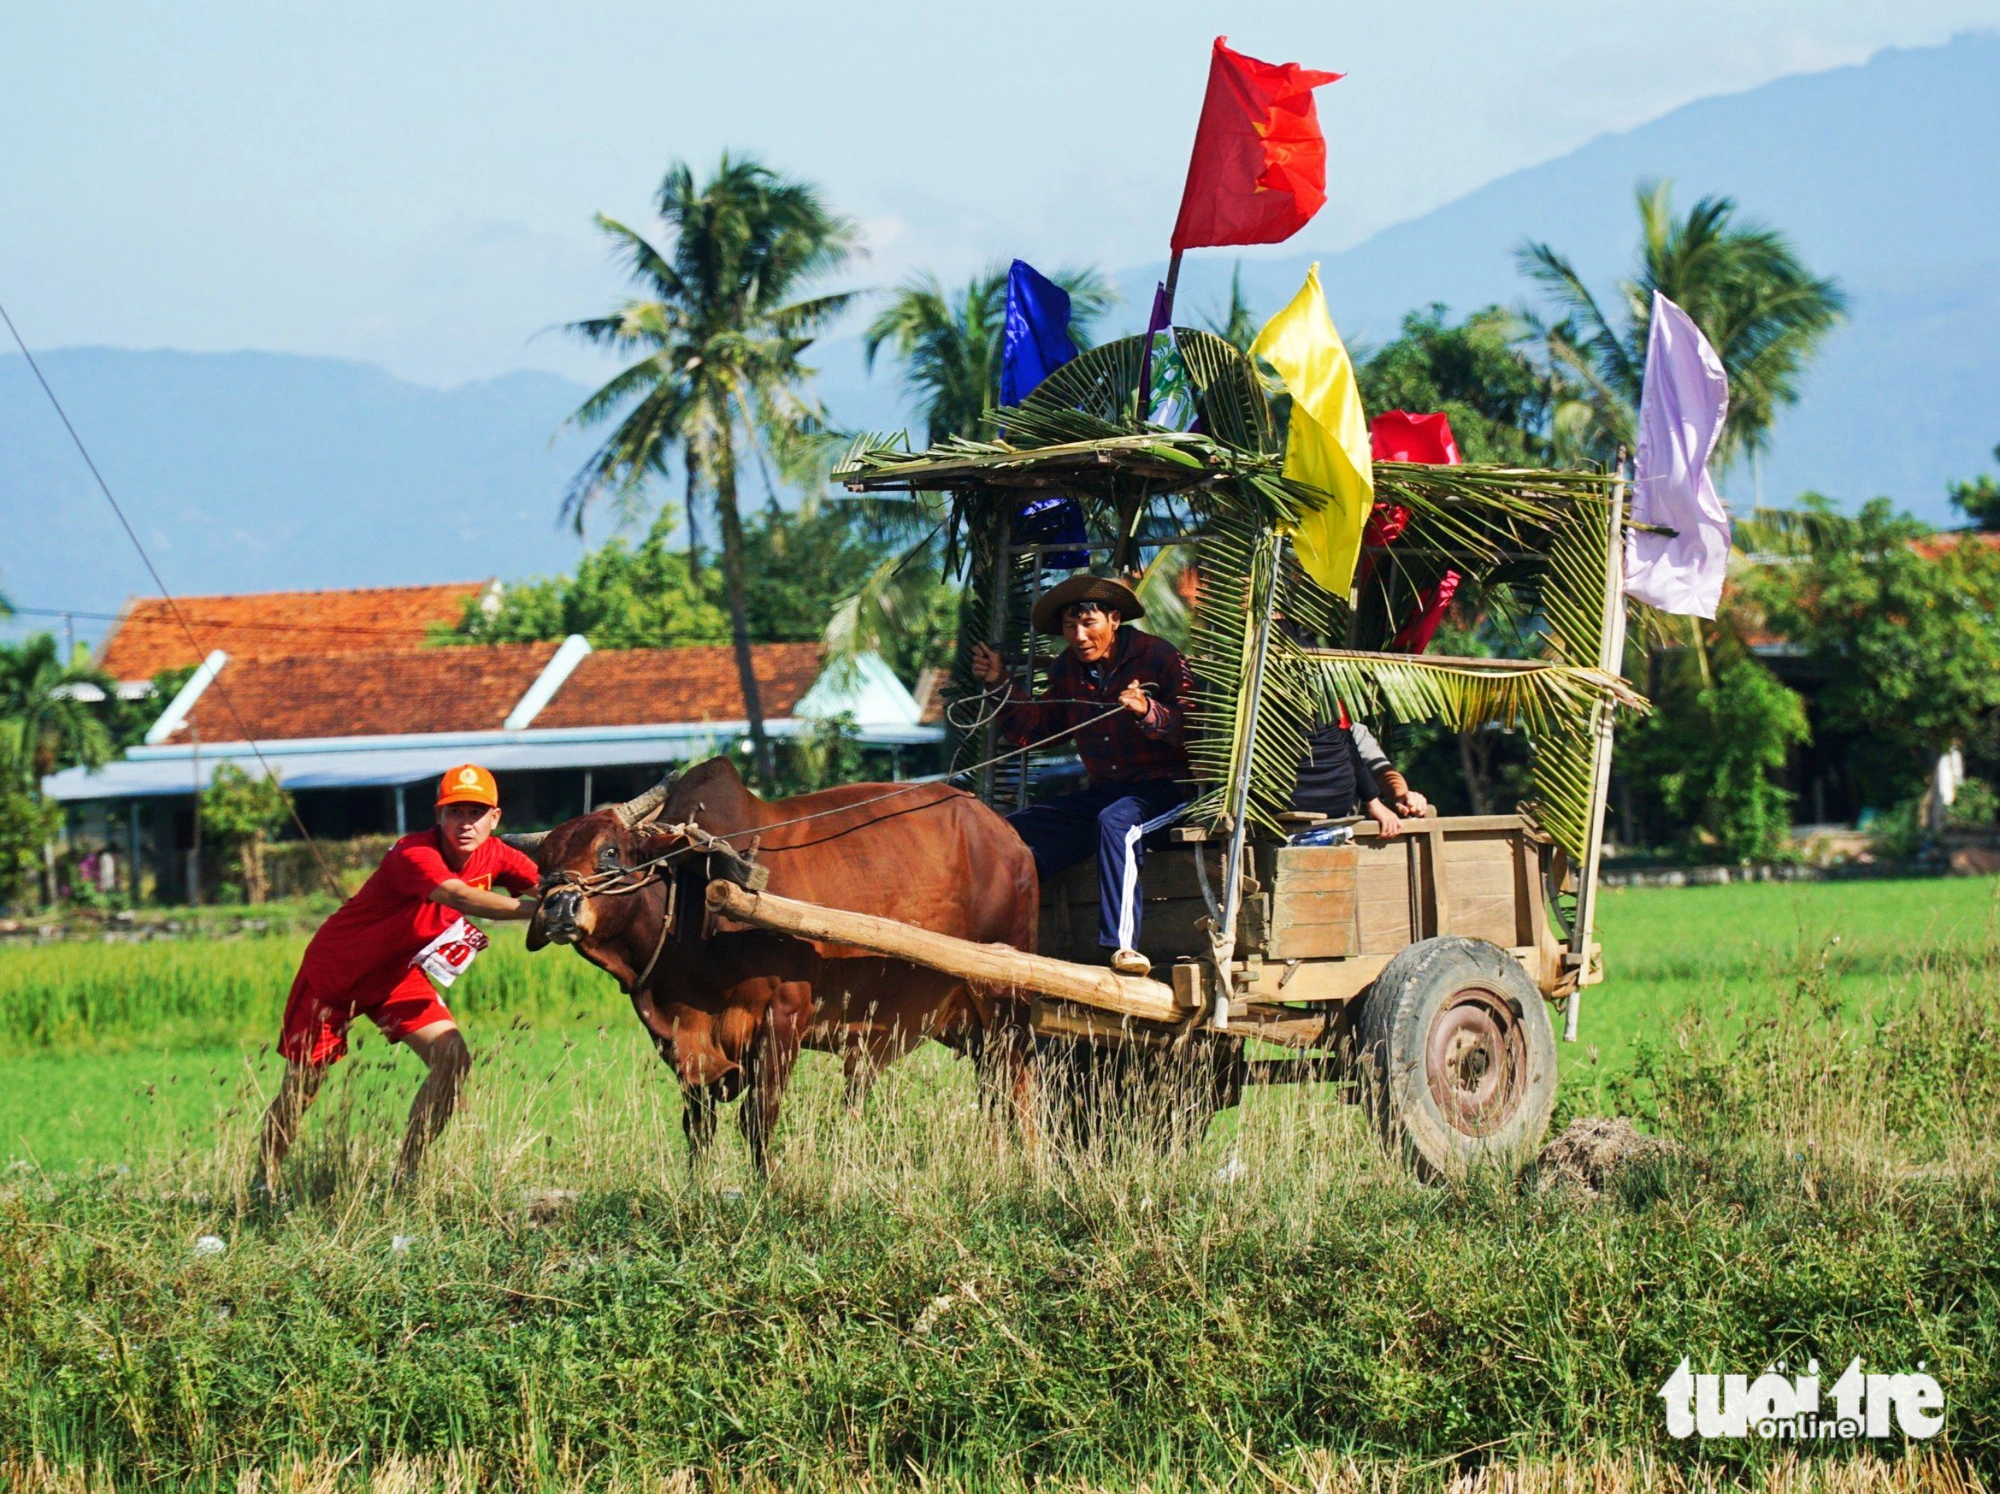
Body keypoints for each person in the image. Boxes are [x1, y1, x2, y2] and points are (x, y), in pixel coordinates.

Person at [257, 764, 541, 1195]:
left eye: (476, 812)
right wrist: (536, 912)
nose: (465, 823)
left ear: (495, 818)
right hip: (336, 974)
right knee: (303, 1089)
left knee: (452, 1060)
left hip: (396, 978)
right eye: (455, 811)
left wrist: (567, 900)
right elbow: (459, 895)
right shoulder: (414, 853)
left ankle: (405, 1177)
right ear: (438, 816)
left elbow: (548, 886)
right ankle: (262, 1183)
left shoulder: (498, 855)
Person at [970, 574, 1194, 978]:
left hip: (1169, 793)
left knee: (1117, 822)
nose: (1079, 635)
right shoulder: (1066, 671)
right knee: (1009, 829)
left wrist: (1148, 712)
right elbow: (1037, 731)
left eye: (1088, 624)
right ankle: (1001, 932)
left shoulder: (1158, 655)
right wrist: (998, 683)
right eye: (1070, 627)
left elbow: (1195, 730)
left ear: (1113, 619)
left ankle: (1123, 947)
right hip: (1107, 793)